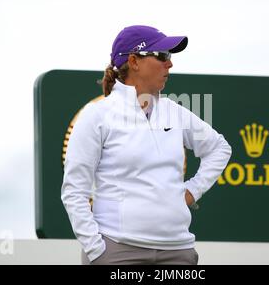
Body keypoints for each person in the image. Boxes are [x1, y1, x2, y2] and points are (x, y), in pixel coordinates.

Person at [61, 25, 232, 265]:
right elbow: (74, 191)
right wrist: (96, 250)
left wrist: (193, 191)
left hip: (177, 250)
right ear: (134, 61)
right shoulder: (97, 115)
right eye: (162, 56)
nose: (169, 64)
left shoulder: (175, 112)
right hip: (117, 250)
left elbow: (219, 148)